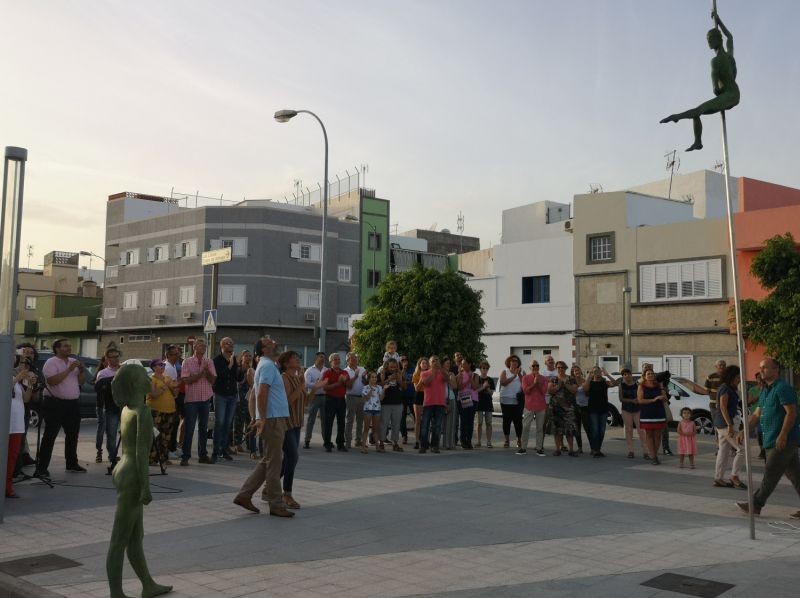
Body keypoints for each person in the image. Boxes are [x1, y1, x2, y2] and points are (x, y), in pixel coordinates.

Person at [106, 363, 172, 598]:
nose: (149, 381)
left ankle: (148, 584)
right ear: (136, 384)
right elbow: (141, 455)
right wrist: (146, 487)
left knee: (135, 536)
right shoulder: (142, 412)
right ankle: (116, 592)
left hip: (122, 469)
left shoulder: (126, 409)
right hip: (133, 474)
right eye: (145, 378)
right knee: (120, 538)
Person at [660, 11, 740, 152]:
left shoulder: (715, 62)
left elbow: (715, 90)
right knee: (698, 112)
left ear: (716, 40)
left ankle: (677, 116)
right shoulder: (729, 55)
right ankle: (698, 142)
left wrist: (718, 88)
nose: (708, 42)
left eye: (709, 39)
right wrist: (718, 20)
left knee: (699, 110)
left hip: (729, 95)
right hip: (734, 93)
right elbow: (730, 37)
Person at [234, 337, 294, 517]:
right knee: (275, 463)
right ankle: (276, 504)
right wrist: (262, 418)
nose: (275, 344)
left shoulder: (268, 365)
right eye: (270, 343)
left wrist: (259, 417)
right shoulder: (267, 366)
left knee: (268, 460)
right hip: (272, 419)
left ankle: (244, 495)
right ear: (264, 349)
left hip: (273, 418)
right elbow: (261, 393)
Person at [737, 359, 800, 518]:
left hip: (783, 440)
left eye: (765, 367)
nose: (761, 370)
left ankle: (756, 505)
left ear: (776, 369)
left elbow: (791, 413)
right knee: (795, 475)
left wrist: (783, 434)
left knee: (771, 472)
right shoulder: (765, 390)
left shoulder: (783, 388)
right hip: (771, 439)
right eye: (760, 367)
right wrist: (744, 431)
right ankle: (756, 504)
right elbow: (757, 414)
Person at [36, 338, 87, 477]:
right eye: (65, 346)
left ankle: (72, 463)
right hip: (55, 403)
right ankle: (42, 468)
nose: (69, 348)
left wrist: (81, 370)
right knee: (50, 435)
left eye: (70, 346)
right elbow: (52, 381)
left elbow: (81, 381)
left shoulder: (72, 361)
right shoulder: (51, 362)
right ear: (57, 348)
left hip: (72, 403)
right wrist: (69, 369)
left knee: (72, 435)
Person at [179, 338, 217, 466]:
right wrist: (201, 373)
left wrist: (207, 372)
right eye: (201, 346)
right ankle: (185, 456)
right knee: (189, 428)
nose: (203, 348)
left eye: (205, 346)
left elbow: (213, 381)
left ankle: (203, 454)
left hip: (205, 398)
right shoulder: (187, 362)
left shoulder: (209, 361)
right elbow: (186, 380)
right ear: (194, 347)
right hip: (192, 400)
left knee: (203, 428)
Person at [277, 350, 307, 510]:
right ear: (287, 363)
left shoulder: (297, 378)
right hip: (286, 423)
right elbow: (287, 401)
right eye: (294, 358)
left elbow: (305, 401)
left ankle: (270, 486)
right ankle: (286, 493)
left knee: (288, 458)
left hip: (296, 422)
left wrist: (314, 388)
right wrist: (301, 386)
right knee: (293, 457)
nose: (298, 360)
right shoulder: (284, 379)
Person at [713, 365, 746, 488]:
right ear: (731, 377)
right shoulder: (725, 389)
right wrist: (730, 425)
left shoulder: (729, 388)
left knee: (724, 451)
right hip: (725, 424)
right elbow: (722, 406)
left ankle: (718, 478)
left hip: (722, 424)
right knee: (742, 449)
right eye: (737, 377)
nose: (739, 379)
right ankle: (734, 476)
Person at [7, 357, 34, 498]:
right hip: (5, 424)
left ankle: (8, 486)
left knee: (12, 456)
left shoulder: (14, 379)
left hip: (17, 424)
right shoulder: (11, 378)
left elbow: (25, 399)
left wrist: (30, 385)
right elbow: (4, 390)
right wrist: (18, 378)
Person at [211, 337, 239, 462]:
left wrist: (240, 367)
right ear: (222, 346)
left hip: (232, 395)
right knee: (220, 423)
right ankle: (215, 451)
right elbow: (218, 376)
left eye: (232, 343)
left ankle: (224, 449)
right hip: (221, 395)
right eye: (228, 343)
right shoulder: (216, 360)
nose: (230, 345)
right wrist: (230, 365)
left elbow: (237, 378)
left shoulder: (234, 360)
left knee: (228, 424)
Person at [147, 358, 178, 466]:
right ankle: (151, 458)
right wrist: (164, 387)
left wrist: (174, 387)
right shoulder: (151, 379)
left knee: (167, 435)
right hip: (156, 411)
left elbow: (175, 394)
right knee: (155, 435)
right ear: (154, 367)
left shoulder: (167, 378)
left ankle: (163, 458)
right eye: (160, 365)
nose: (163, 366)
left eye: (163, 365)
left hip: (170, 410)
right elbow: (153, 394)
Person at [94, 348, 122, 465]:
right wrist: (115, 377)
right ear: (107, 359)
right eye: (112, 357)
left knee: (126, 434)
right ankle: (112, 456)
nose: (115, 359)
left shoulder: (123, 370)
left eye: (117, 356)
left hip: (125, 407)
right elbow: (99, 387)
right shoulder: (103, 373)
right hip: (111, 408)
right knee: (111, 434)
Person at [583, 366, 618, 457]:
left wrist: (607, 374)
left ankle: (598, 449)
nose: (597, 373)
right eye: (594, 371)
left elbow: (615, 383)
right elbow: (585, 389)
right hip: (593, 410)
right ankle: (594, 450)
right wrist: (589, 376)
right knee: (595, 430)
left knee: (602, 431)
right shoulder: (590, 383)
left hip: (603, 409)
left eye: (598, 371)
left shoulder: (604, 382)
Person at [517, 360, 549, 456]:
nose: (535, 367)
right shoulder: (525, 378)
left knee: (540, 428)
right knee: (526, 427)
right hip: (529, 406)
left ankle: (539, 448)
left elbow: (544, 391)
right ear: (530, 368)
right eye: (533, 365)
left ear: (539, 367)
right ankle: (523, 448)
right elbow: (526, 391)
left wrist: (538, 383)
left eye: (537, 365)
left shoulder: (544, 379)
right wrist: (534, 384)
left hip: (540, 406)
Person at [548, 361, 579, 456]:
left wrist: (565, 384)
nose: (560, 369)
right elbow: (549, 390)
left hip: (568, 408)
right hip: (556, 408)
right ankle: (558, 449)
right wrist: (558, 386)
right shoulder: (553, 379)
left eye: (562, 367)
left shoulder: (571, 379)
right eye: (558, 367)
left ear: (565, 368)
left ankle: (571, 450)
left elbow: (574, 390)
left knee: (569, 429)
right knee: (557, 430)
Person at [638, 369, 668, 466]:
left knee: (658, 435)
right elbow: (640, 400)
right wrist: (654, 399)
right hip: (647, 413)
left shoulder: (658, 385)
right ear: (644, 376)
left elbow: (665, 399)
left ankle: (654, 454)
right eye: (648, 374)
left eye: (652, 373)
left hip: (659, 413)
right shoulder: (641, 386)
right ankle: (653, 456)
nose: (650, 375)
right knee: (649, 435)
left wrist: (662, 389)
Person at [419, 356, 448, 454]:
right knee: (425, 425)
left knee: (437, 426)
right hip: (428, 403)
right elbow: (426, 383)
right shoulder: (424, 373)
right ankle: (423, 446)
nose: (435, 362)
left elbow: (447, 379)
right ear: (430, 363)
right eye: (433, 361)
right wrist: (433, 372)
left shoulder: (442, 373)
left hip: (440, 403)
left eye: (437, 360)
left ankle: (435, 446)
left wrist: (440, 369)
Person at [321, 353, 349, 452]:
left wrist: (345, 382)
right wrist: (339, 383)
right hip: (330, 399)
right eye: (335, 359)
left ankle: (340, 443)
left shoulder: (344, 372)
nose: (337, 361)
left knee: (341, 422)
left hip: (341, 400)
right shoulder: (327, 373)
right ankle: (327, 443)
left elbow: (349, 386)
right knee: (328, 422)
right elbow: (325, 388)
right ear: (330, 362)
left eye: (338, 359)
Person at [618, 368, 647, 459]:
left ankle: (646, 451)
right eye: (624, 374)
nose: (627, 376)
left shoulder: (637, 384)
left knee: (641, 430)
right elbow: (621, 399)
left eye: (628, 374)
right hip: (626, 409)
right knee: (629, 430)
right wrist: (631, 400)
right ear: (623, 376)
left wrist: (638, 400)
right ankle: (631, 451)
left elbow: (642, 393)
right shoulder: (621, 385)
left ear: (631, 374)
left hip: (637, 409)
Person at [380, 357, 406, 452]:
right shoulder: (383, 373)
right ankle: (381, 442)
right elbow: (378, 385)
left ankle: (395, 443)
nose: (393, 369)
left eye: (395, 367)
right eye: (391, 367)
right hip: (385, 403)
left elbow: (404, 387)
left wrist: (399, 380)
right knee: (384, 424)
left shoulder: (399, 374)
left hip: (398, 403)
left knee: (396, 424)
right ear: (387, 366)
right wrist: (388, 379)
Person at [163, 345, 184, 460]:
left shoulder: (173, 366)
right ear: (169, 355)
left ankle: (172, 448)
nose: (178, 356)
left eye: (178, 353)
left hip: (172, 399)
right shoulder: (168, 367)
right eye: (175, 354)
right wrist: (176, 390)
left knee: (174, 424)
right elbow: (170, 385)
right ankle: (168, 450)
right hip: (170, 400)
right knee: (171, 425)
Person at [498, 355, 524, 449]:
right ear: (509, 362)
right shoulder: (505, 371)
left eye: (516, 361)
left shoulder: (522, 372)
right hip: (506, 399)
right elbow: (503, 382)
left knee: (518, 421)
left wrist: (519, 374)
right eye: (512, 360)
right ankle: (507, 440)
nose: (514, 362)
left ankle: (519, 440)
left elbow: (524, 384)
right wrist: (514, 376)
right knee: (506, 420)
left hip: (517, 400)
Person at [303, 352, 327, 449]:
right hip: (314, 396)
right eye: (321, 357)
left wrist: (322, 384)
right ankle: (307, 440)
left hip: (325, 396)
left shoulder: (326, 370)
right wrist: (317, 385)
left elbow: (328, 382)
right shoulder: (309, 370)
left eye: (323, 357)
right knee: (311, 419)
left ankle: (326, 440)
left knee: (325, 420)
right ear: (316, 358)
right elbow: (307, 384)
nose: (322, 359)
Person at [344, 352, 368, 449]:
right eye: (352, 358)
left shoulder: (362, 369)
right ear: (348, 360)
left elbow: (366, 383)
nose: (355, 360)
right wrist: (355, 376)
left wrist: (363, 377)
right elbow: (348, 386)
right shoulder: (345, 371)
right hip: (351, 397)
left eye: (356, 358)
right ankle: (348, 441)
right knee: (349, 420)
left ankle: (358, 440)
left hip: (362, 397)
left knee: (360, 420)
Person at [455, 357, 479, 450]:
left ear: (469, 364)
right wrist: (465, 380)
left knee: (470, 421)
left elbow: (475, 387)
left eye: (464, 363)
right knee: (463, 420)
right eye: (462, 364)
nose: (463, 365)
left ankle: (469, 440)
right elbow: (459, 387)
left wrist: (470, 378)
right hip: (462, 398)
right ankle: (463, 441)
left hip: (472, 399)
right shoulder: (459, 375)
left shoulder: (475, 375)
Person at [233, 350, 253, 454]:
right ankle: (237, 444)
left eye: (250, 356)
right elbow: (238, 382)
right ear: (242, 357)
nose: (248, 358)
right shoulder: (238, 369)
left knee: (250, 421)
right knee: (239, 422)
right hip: (240, 398)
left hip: (250, 398)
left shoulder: (252, 369)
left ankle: (250, 443)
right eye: (246, 356)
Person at [360, 372, 383, 454]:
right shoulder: (365, 387)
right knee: (366, 428)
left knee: (375, 429)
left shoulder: (379, 387)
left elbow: (381, 398)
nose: (374, 379)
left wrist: (384, 390)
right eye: (372, 377)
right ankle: (363, 447)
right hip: (368, 410)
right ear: (369, 379)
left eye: (375, 377)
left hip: (377, 409)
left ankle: (377, 446)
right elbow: (366, 398)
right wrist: (370, 390)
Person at [475, 361, 495, 448]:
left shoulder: (490, 380)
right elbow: (475, 391)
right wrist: (483, 387)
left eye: (486, 368)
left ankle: (489, 442)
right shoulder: (477, 378)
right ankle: (478, 441)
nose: (485, 370)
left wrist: (487, 388)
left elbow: (491, 393)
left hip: (488, 403)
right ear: (480, 369)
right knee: (479, 423)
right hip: (479, 403)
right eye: (483, 368)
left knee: (489, 423)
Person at [440, 356, 458, 450]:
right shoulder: (439, 373)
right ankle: (441, 443)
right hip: (441, 399)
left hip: (451, 398)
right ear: (442, 364)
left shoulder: (451, 374)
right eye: (447, 363)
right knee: (440, 422)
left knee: (451, 422)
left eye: (449, 363)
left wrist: (450, 378)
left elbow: (455, 386)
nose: (448, 365)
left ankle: (450, 443)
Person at [411, 357, 429, 449]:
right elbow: (417, 388)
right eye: (423, 363)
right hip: (418, 397)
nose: (424, 365)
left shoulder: (430, 374)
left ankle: (425, 439)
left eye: (426, 363)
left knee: (426, 420)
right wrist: (422, 378)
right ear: (419, 365)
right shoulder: (416, 374)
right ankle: (417, 440)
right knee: (418, 420)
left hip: (428, 397)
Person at [571, 365, 589, 454]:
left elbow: (588, 393)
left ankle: (593, 448)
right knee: (577, 428)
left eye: (578, 370)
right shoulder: (572, 382)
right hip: (576, 407)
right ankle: (580, 447)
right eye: (575, 371)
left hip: (585, 407)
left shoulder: (585, 381)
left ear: (580, 371)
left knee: (587, 427)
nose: (577, 372)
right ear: (573, 373)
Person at [399, 356, 415, 445]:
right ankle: (404, 436)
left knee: (416, 415)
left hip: (412, 396)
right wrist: (403, 370)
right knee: (402, 417)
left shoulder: (412, 369)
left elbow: (413, 380)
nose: (404, 362)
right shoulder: (399, 370)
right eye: (402, 360)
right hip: (402, 397)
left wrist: (407, 382)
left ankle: (419, 435)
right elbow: (400, 381)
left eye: (406, 360)